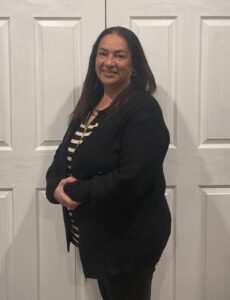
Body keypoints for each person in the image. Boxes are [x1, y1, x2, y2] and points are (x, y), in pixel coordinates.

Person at [46, 26, 171, 300]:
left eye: (119, 55)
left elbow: (134, 177)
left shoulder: (142, 110)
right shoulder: (89, 106)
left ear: (135, 65)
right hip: (99, 235)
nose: (109, 62)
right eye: (103, 54)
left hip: (129, 237)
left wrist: (76, 192)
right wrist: (55, 187)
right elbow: (62, 159)